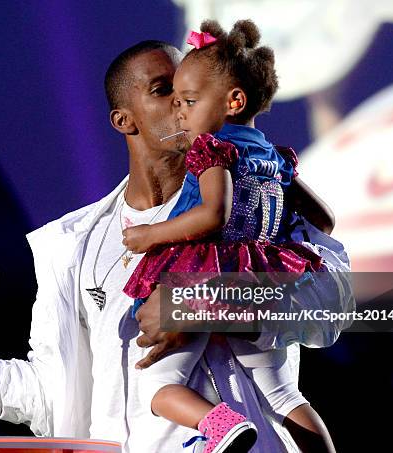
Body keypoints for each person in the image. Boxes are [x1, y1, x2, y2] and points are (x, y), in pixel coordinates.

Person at [0, 39, 346, 452]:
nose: (182, 102)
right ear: (124, 120)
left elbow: (347, 304)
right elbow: (45, 391)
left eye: (192, 87)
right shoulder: (73, 244)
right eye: (163, 89)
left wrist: (204, 302)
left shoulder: (258, 197)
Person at [121, 20, 337, 453]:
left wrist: (151, 235)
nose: (179, 112)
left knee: (159, 387)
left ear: (234, 101)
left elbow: (213, 214)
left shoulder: (213, 148)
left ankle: (220, 425)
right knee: (282, 394)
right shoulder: (273, 155)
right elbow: (325, 222)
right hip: (260, 282)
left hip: (199, 276)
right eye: (176, 100)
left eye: (188, 101)